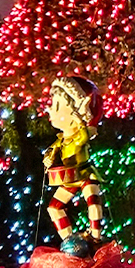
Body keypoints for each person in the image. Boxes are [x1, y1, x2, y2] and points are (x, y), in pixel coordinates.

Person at [44, 76, 105, 257]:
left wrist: (85, 120)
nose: (50, 110)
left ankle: (96, 239)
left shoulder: (80, 136)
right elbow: (51, 152)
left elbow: (86, 134)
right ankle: (70, 242)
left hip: (85, 175)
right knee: (54, 208)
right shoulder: (61, 140)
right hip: (69, 179)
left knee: (93, 203)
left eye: (57, 106)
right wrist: (48, 159)